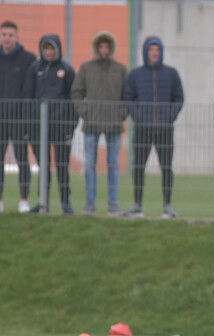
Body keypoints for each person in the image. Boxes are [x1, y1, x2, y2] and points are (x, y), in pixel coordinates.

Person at [123, 36, 183, 218]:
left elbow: (179, 98)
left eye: (157, 50)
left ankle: (167, 206)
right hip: (142, 130)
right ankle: (137, 205)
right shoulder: (135, 75)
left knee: (166, 167)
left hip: (165, 130)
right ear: (145, 52)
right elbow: (128, 98)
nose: (154, 53)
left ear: (161, 52)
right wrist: (138, 117)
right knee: (138, 167)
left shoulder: (172, 74)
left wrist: (169, 117)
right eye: (151, 50)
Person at [71, 30, 127, 216]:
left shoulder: (120, 69)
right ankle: (90, 203)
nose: (104, 50)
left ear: (111, 48)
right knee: (90, 164)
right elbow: (77, 92)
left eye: (107, 46)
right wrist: (84, 112)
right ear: (96, 48)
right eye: (101, 46)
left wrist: (122, 114)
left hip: (114, 124)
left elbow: (128, 96)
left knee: (113, 164)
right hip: (92, 124)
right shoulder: (87, 68)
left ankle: (113, 203)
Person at [27, 34, 77, 214]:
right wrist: (30, 126)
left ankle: (65, 202)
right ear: (42, 49)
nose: (49, 52)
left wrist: (70, 128)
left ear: (58, 49)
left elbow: (74, 100)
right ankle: (43, 203)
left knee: (62, 165)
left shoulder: (67, 70)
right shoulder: (34, 69)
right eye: (46, 48)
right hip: (39, 129)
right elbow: (29, 97)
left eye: (52, 48)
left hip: (61, 127)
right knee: (43, 166)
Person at [0, 20, 35, 213]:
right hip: (0, 120)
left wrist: (25, 114)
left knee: (23, 159)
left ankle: (24, 199)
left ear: (17, 36)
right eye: (4, 34)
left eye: (10, 35)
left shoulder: (28, 59)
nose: (7, 38)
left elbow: (29, 90)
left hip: (19, 119)